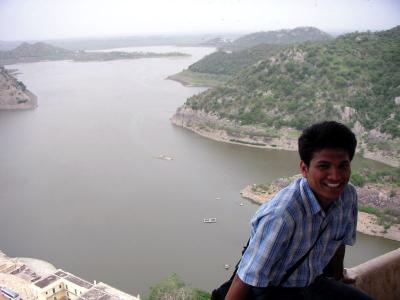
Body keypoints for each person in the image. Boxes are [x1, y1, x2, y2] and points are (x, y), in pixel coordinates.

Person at [225, 121, 374, 300]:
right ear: (304, 168)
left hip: (313, 282)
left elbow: (338, 242)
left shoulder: (347, 196)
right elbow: (245, 278)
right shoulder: (282, 216)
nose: (335, 176)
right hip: (276, 290)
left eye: (342, 165)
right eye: (324, 166)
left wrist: (338, 276)